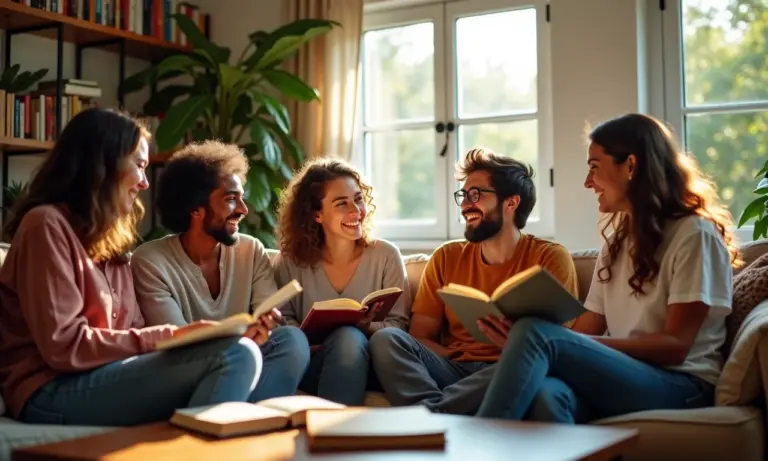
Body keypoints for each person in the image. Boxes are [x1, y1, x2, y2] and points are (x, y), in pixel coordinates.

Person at [0, 108, 264, 427]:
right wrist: (172, 335)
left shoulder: (110, 238)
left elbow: (132, 329)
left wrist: (190, 342)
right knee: (236, 355)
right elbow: (64, 346)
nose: (144, 183)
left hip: (106, 375)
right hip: (49, 389)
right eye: (139, 166)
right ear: (104, 165)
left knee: (250, 349)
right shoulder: (46, 226)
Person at [476, 113, 738, 423]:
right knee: (548, 395)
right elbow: (588, 331)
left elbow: (676, 347)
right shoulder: (615, 244)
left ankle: (478, 446)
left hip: (683, 386)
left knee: (537, 335)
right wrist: (525, 342)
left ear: (630, 165)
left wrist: (549, 341)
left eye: (594, 168)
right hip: (627, 378)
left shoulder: (694, 235)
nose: (588, 182)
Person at [370, 148, 579, 414]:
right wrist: (455, 356)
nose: (466, 204)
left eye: (476, 194)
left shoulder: (550, 257)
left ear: (511, 203)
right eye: (464, 195)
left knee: (532, 367)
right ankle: (444, 407)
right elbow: (421, 336)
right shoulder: (446, 256)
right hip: (453, 368)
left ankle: (429, 416)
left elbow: (559, 346)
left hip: (511, 367)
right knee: (387, 338)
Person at [131, 140, 310, 401]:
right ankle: (238, 415)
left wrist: (266, 326)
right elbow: (178, 344)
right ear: (195, 208)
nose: (243, 210)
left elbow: (269, 316)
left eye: (242, 198)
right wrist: (241, 340)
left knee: (292, 339)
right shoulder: (150, 261)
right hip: (190, 369)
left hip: (247, 357)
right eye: (230, 199)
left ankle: (243, 416)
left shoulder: (251, 250)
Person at [273, 157, 411, 406]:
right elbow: (284, 323)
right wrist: (311, 344)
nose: (356, 211)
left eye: (358, 199)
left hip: (372, 368)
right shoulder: (289, 263)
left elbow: (399, 328)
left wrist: (366, 327)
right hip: (314, 365)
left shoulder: (386, 255)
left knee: (349, 335)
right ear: (317, 215)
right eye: (341, 204)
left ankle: (334, 431)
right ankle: (337, 429)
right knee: (344, 337)